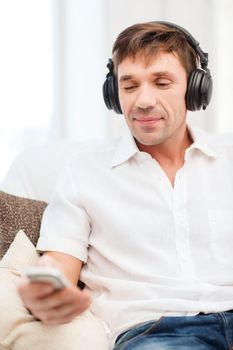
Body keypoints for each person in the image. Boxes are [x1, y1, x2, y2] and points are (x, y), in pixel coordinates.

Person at [18, 21, 233, 350]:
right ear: (113, 94)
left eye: (161, 82)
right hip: (159, 332)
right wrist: (45, 286)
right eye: (129, 86)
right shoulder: (84, 171)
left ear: (195, 88)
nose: (143, 101)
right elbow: (58, 263)